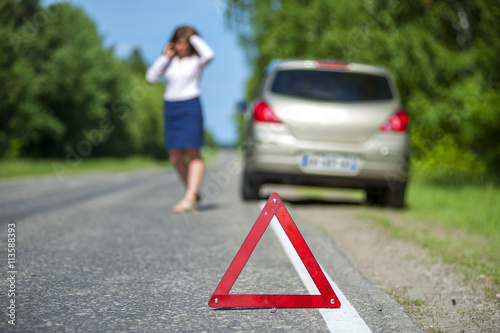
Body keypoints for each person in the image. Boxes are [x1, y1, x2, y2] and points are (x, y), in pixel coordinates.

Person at [146, 26, 214, 213]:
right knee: (175, 156)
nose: (182, 46)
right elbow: (151, 77)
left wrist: (193, 38)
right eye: (179, 42)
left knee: (193, 153)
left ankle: (190, 197)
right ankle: (192, 192)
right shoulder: (170, 62)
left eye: (185, 43)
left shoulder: (197, 60)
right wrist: (165, 56)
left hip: (190, 106)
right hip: (171, 107)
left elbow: (209, 54)